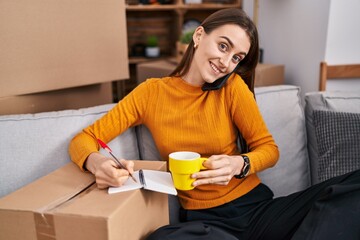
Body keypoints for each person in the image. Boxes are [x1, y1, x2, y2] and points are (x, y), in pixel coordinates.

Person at [69, 8, 360, 240]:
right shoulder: (150, 93)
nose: (226, 62)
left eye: (236, 57)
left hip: (258, 210)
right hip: (206, 224)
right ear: (198, 36)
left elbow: (268, 149)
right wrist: (97, 164)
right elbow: (85, 139)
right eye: (223, 46)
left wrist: (239, 165)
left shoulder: (232, 87)